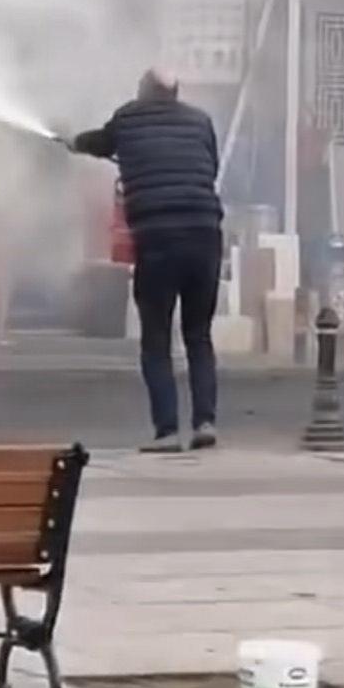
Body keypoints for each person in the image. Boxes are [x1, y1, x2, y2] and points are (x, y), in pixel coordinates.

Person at [63, 69, 223, 453]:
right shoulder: (201, 121)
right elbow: (211, 169)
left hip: (157, 239)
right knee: (198, 334)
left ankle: (167, 431)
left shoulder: (128, 117)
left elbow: (98, 143)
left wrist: (73, 142)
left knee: (156, 339)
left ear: (143, 91)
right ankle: (205, 422)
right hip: (204, 234)